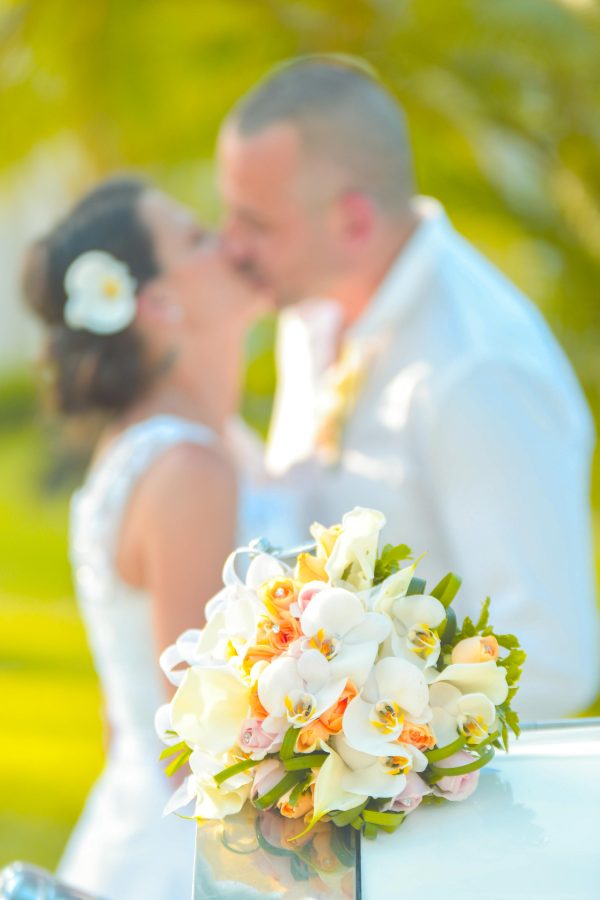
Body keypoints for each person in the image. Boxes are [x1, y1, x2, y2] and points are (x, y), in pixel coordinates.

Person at [217, 57, 599, 719]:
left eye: (258, 225)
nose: (231, 247)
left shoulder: (476, 371)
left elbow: (554, 661)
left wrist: (362, 732)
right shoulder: (309, 316)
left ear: (354, 223)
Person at [22, 176, 264, 899]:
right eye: (195, 238)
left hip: (135, 827)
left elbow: (118, 714)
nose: (225, 241)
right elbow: (203, 743)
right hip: (184, 864)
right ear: (158, 304)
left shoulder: (181, 449)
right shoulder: (187, 470)